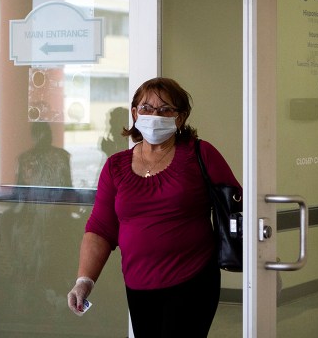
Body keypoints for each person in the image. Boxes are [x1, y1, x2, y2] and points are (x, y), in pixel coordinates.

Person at [67, 77, 241, 337]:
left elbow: (237, 208)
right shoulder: (116, 166)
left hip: (192, 280)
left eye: (165, 110)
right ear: (135, 113)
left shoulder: (200, 154)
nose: (154, 115)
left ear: (180, 118)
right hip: (138, 284)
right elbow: (101, 228)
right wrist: (84, 281)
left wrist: (261, 264)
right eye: (146, 108)